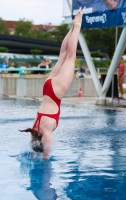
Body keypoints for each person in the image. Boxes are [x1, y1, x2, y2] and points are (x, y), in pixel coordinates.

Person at [19, 11, 83, 159]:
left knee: (70, 56)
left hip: (55, 92)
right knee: (62, 54)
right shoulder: (34, 130)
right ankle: (72, 28)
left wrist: (44, 158)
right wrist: (34, 153)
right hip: (47, 88)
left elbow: (46, 146)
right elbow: (35, 143)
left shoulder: (45, 131)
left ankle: (77, 26)